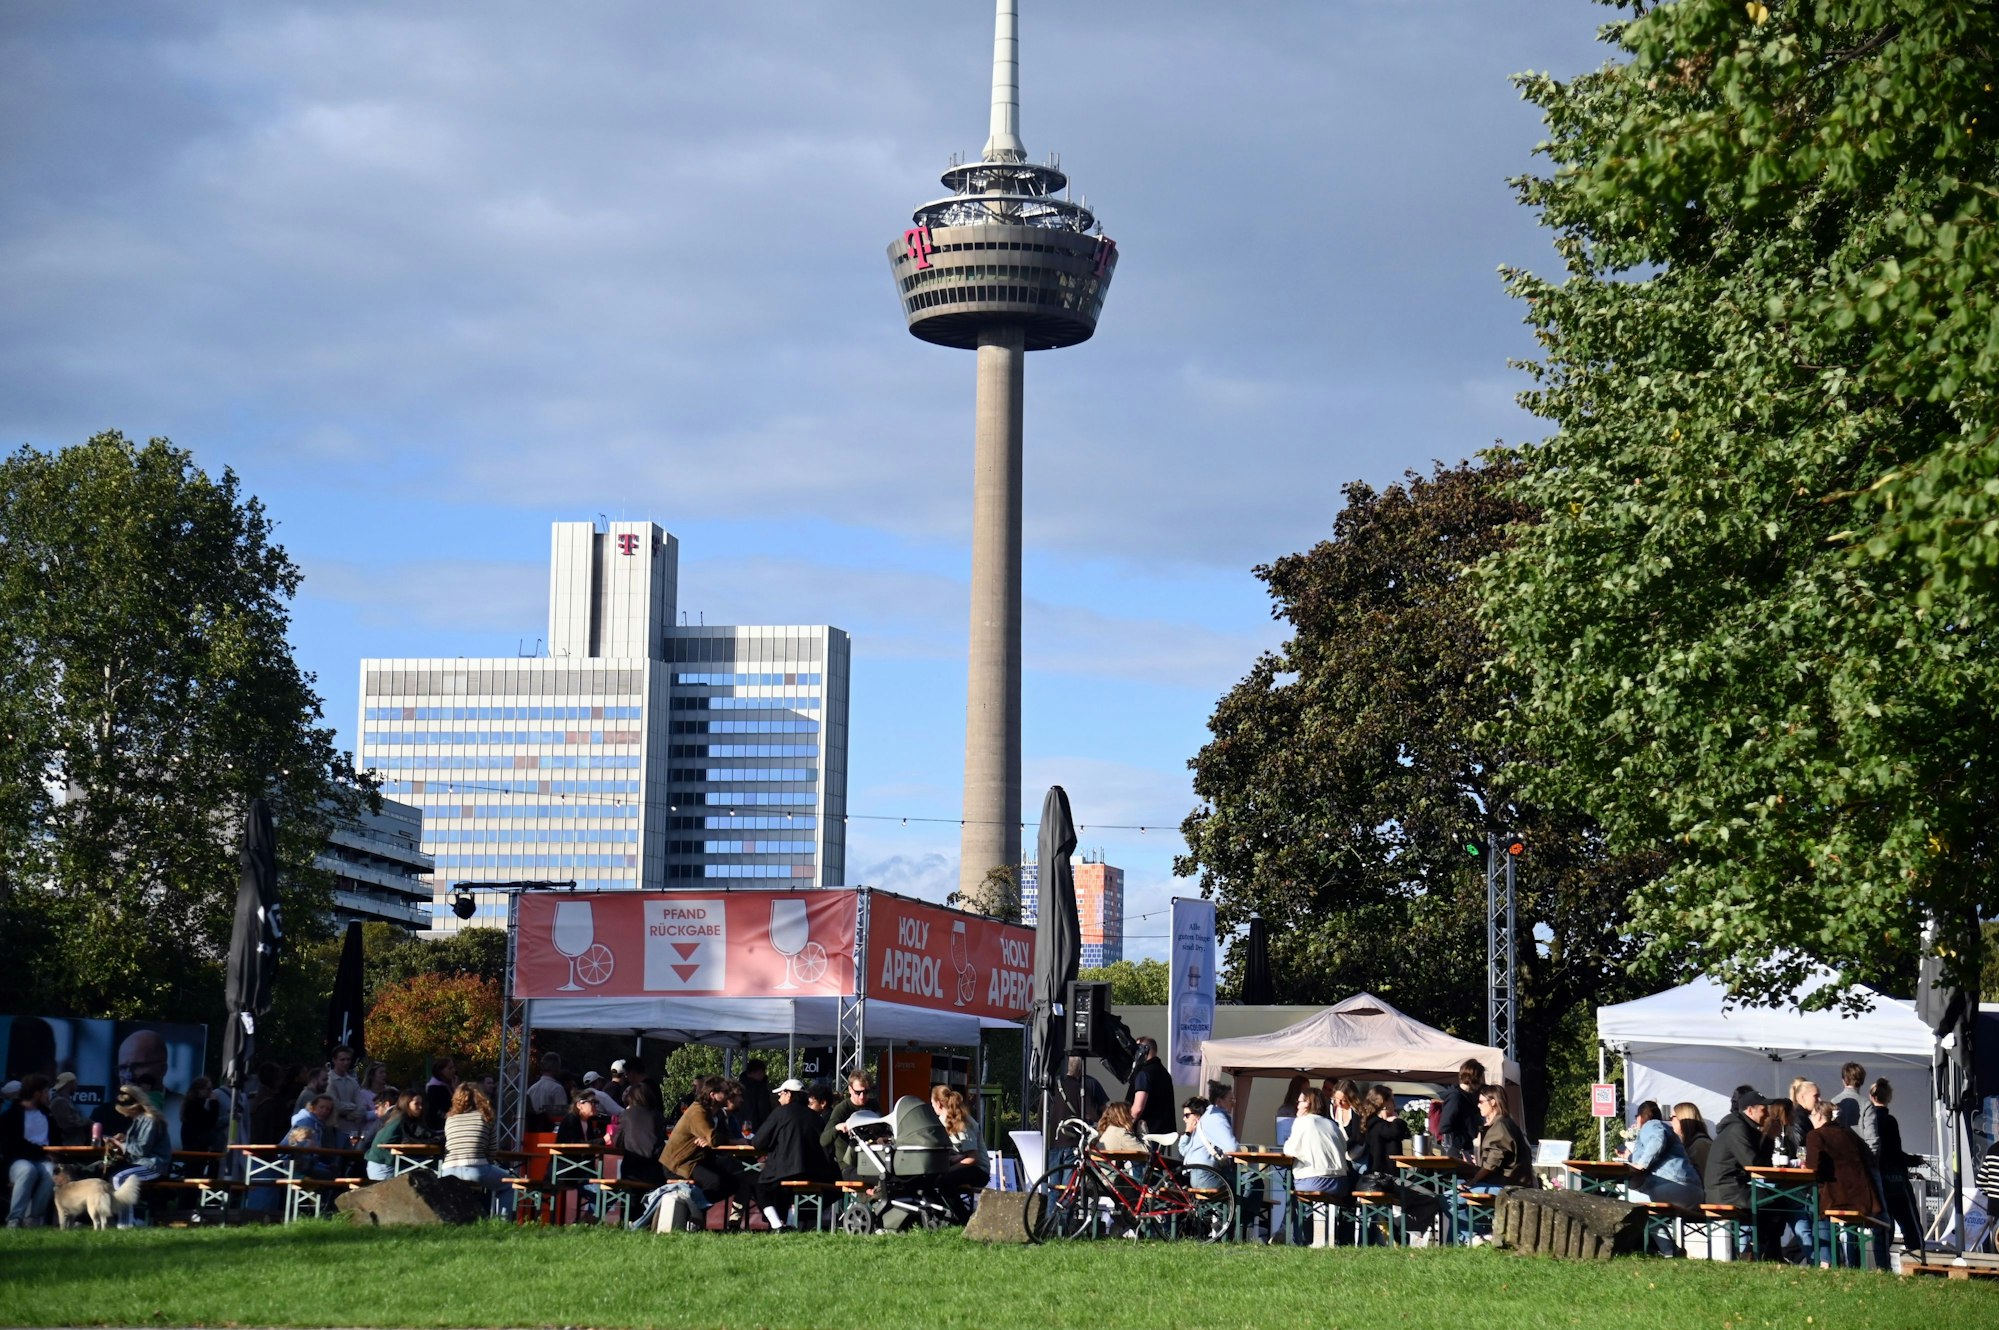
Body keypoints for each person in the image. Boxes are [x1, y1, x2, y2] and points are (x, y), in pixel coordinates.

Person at [661, 1075, 757, 1218]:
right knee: (715, 1182)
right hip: (680, 1163)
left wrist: (715, 1139)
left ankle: (696, 1209)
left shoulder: (716, 1113)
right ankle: (694, 1213)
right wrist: (732, 1142)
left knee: (734, 1181)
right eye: (725, 1092)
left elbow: (718, 1137)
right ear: (712, 1094)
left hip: (699, 1159)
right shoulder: (697, 1111)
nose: (729, 1095)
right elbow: (713, 1138)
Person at [1804, 1100, 1880, 1267]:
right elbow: (1870, 1159)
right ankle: (1845, 1262)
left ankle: (1825, 1261)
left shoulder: (1815, 1135)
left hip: (1837, 1199)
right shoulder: (1850, 1134)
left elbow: (1811, 1168)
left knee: (1816, 1210)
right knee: (1821, 1206)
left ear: (1818, 1115)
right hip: (1864, 1200)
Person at [753, 1078, 834, 1230]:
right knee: (787, 1191)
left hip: (785, 1170)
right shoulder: (816, 1117)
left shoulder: (780, 1113)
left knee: (758, 1184)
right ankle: (790, 1223)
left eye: (781, 1093)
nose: (779, 1097)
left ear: (789, 1095)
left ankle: (777, 1224)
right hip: (816, 1173)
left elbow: (758, 1143)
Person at [1858, 1078, 1925, 1254]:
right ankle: (1918, 1256)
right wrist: (1914, 1161)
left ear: (1871, 1097)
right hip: (1896, 1178)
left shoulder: (1867, 1121)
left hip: (1877, 1179)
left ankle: (1882, 1261)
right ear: (1889, 1097)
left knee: (1884, 1223)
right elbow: (1894, 1152)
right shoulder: (1889, 1120)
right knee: (1909, 1222)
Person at [1285, 1087, 1351, 1246]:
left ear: (1308, 1104)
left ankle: (1301, 1239)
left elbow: (1289, 1150)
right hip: (1340, 1182)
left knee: (1295, 1195)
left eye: (1300, 1101)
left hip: (1313, 1179)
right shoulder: (1332, 1124)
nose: (1297, 1105)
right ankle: (1331, 1238)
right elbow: (1344, 1149)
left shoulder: (1303, 1122)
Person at [108, 1083, 171, 1225]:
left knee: (120, 1178)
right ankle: (130, 1220)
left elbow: (142, 1150)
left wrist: (120, 1145)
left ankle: (125, 1222)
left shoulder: (149, 1120)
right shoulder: (140, 1120)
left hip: (154, 1165)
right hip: (144, 1163)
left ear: (131, 1108)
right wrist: (125, 1138)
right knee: (115, 1175)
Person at [1623, 1100, 1701, 1207]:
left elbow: (1657, 1139)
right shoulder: (1667, 1129)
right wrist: (1630, 1157)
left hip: (1672, 1185)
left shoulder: (1651, 1124)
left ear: (1640, 1117)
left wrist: (1642, 1164)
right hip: (1693, 1191)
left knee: (1625, 1199)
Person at [2, 1075, 55, 1227]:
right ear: (37, 1093)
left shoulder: (48, 1115)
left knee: (51, 1172)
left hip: (42, 1160)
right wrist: (42, 1151)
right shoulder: (11, 1116)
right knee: (27, 1170)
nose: (48, 1095)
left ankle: (33, 1218)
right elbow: (12, 1145)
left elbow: (57, 1140)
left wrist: (54, 1153)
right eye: (46, 1091)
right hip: (18, 1161)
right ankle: (14, 1218)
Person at [441, 1084, 508, 1193]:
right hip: (476, 1168)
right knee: (510, 1185)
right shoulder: (486, 1117)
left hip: (448, 1169)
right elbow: (492, 1151)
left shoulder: (450, 1119)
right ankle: (499, 1211)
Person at [931, 1085, 988, 1205]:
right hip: (961, 1165)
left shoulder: (963, 1123)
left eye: (932, 1103)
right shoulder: (942, 1120)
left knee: (944, 1181)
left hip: (978, 1171)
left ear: (938, 1104)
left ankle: (961, 1217)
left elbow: (973, 1157)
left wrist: (949, 1169)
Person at [362, 1089, 429, 1181]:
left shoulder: (398, 1116)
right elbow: (386, 1141)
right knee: (429, 1169)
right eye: (416, 1104)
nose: (420, 1107)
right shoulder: (401, 1120)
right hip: (383, 1166)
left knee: (425, 1167)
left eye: (421, 1104)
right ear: (407, 1104)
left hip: (384, 1163)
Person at [820, 1072, 876, 1181]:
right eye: (858, 1092)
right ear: (850, 1090)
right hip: (849, 1167)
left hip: (873, 1161)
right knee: (882, 1178)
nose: (862, 1096)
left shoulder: (873, 1105)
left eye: (866, 1092)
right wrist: (837, 1128)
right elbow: (823, 1140)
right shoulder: (842, 1109)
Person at [611, 1081, 667, 1189]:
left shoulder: (626, 1115)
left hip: (632, 1172)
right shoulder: (657, 1116)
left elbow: (617, 1142)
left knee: (631, 1199)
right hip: (655, 1172)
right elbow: (661, 1142)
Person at [1126, 1037, 1175, 1138]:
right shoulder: (1164, 1073)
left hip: (1146, 1133)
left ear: (1144, 1050)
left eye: (1136, 1049)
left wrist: (1126, 1126)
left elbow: (1138, 1108)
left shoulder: (1144, 1074)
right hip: (1164, 1132)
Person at [1437, 1060, 1485, 1161]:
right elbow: (1444, 1126)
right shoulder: (1456, 1098)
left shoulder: (1468, 1097)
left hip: (1468, 1150)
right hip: (1460, 1153)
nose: (1482, 1081)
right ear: (1475, 1078)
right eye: (1481, 1077)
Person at [324, 1046, 370, 1143]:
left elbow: (362, 1107)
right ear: (334, 1060)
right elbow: (335, 1105)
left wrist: (348, 1115)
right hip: (335, 1129)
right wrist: (354, 1107)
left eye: (348, 1059)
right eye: (342, 1059)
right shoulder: (329, 1080)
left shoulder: (352, 1082)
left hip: (352, 1130)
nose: (346, 1062)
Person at [1053, 1056, 1109, 1130]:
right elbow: (1099, 1111)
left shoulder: (1055, 1086)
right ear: (1080, 1068)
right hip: (1079, 1132)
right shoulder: (1088, 1084)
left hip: (1057, 1133)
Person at [180, 1075, 223, 1157]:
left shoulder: (195, 1103)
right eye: (208, 1089)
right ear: (199, 1090)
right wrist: (214, 1103)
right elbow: (209, 1121)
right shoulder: (193, 1105)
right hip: (194, 1144)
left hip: (196, 1143)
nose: (211, 1092)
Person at [526, 1053, 568, 1132]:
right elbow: (562, 1116)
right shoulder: (557, 1089)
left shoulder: (531, 1089)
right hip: (550, 1134)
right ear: (556, 1067)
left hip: (532, 1133)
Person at [1672, 1103, 1713, 1180]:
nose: (1670, 1122)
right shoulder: (1692, 1143)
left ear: (1682, 1117)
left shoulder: (1700, 1144)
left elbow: (1707, 1177)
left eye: (1672, 1117)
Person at [46, 1073, 86, 1147]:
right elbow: (66, 1125)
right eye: (75, 1083)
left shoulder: (66, 1101)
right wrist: (87, 1122)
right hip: (66, 1147)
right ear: (70, 1083)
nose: (76, 1086)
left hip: (73, 1146)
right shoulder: (59, 1102)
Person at [739, 1059, 775, 1133]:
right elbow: (764, 1110)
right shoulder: (760, 1088)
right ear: (759, 1072)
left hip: (739, 1124)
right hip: (757, 1127)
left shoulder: (737, 1087)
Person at [424, 1056, 459, 1133]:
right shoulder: (435, 1088)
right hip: (440, 1127)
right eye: (450, 1068)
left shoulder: (449, 1085)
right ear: (440, 1071)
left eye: (453, 1067)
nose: (453, 1071)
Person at [1829, 1063, 1866, 1130]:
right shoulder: (1866, 1104)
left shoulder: (1833, 1102)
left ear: (1843, 1080)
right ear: (1862, 1080)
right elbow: (1871, 1136)